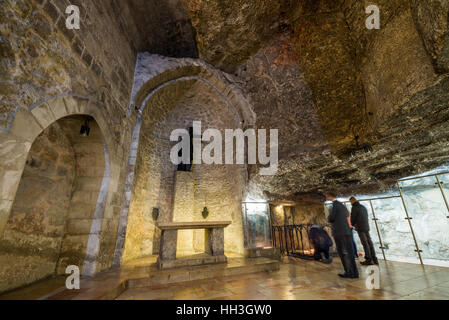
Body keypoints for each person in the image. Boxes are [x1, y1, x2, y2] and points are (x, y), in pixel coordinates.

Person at [326, 192, 359, 278]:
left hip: (340, 233)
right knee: (350, 252)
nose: (326, 197)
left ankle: (349, 272)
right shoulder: (342, 205)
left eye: (327, 196)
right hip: (346, 232)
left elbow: (331, 218)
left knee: (343, 253)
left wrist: (329, 218)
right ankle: (354, 272)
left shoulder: (335, 205)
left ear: (330, 196)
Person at [350, 197, 378, 265]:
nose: (350, 203)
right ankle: (374, 259)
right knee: (369, 242)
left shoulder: (354, 207)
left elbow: (353, 218)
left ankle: (368, 259)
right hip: (366, 227)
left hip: (360, 227)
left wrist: (351, 224)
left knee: (365, 243)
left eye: (350, 202)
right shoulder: (363, 207)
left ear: (352, 201)